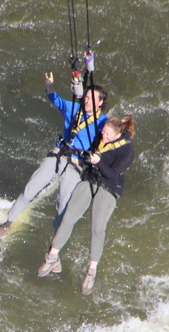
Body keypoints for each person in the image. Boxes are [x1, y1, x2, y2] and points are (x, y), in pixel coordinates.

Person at [0, 71, 108, 241]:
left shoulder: (104, 122)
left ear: (100, 103)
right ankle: (5, 225)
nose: (87, 102)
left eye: (91, 99)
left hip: (76, 164)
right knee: (29, 190)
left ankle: (54, 249)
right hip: (58, 156)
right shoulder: (74, 108)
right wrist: (49, 87)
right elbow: (56, 100)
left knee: (63, 207)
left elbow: (115, 138)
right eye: (86, 98)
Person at [36, 115, 136, 295]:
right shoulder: (101, 139)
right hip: (90, 180)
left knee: (97, 227)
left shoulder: (127, 150)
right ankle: (52, 257)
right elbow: (89, 154)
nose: (102, 135)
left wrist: (98, 162)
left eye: (106, 133)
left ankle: (91, 272)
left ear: (116, 134)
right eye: (102, 132)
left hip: (109, 187)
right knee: (68, 216)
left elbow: (112, 174)